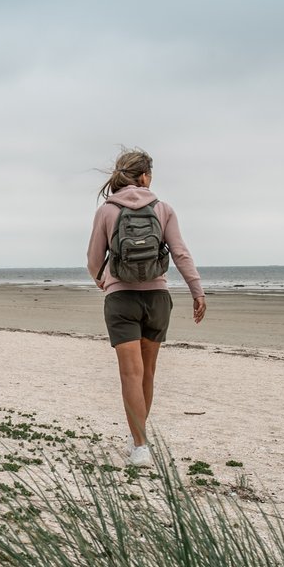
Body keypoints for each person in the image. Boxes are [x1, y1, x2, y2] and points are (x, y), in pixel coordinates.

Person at [86, 148, 206, 466]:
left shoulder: (107, 211)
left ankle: (140, 446)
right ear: (144, 176)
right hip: (157, 300)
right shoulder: (162, 209)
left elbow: (94, 259)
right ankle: (138, 437)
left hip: (121, 300)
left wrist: (104, 281)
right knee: (147, 372)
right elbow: (180, 253)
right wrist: (197, 291)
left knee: (130, 373)